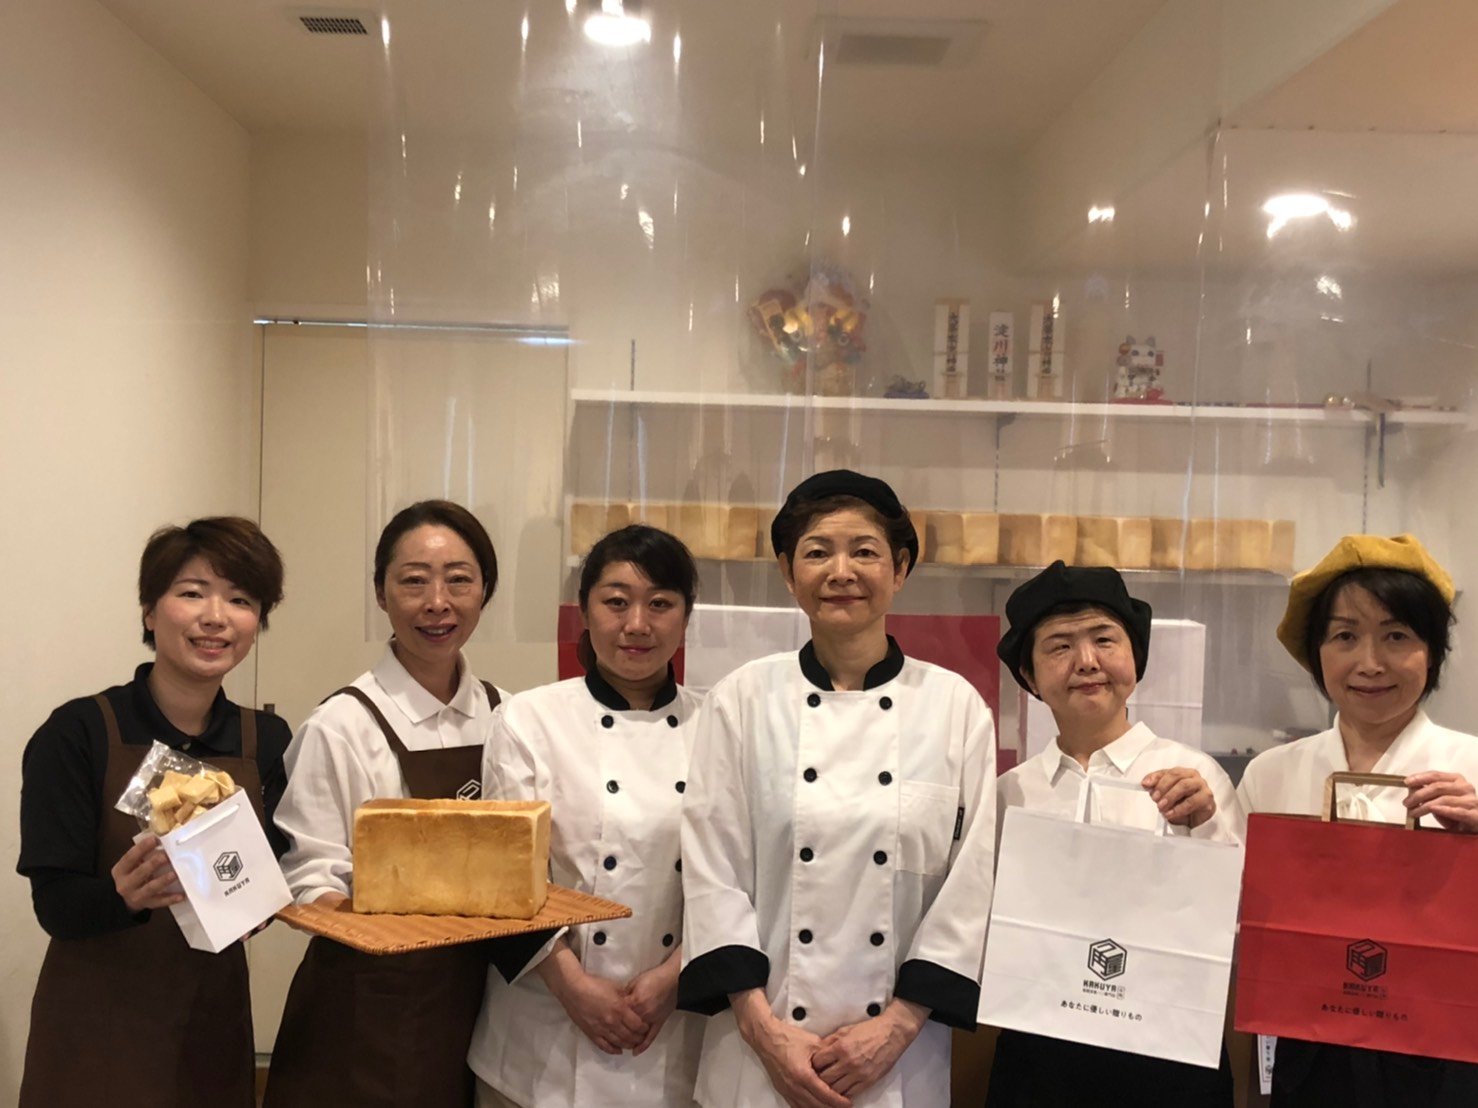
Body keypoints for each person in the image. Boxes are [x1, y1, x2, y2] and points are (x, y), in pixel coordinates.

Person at [678, 470, 997, 1108]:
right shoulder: (741, 699)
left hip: (898, 1064)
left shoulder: (955, 707)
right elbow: (713, 871)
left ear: (900, 569)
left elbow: (971, 883)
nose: (841, 571)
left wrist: (896, 1027)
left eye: (865, 551)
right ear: (787, 572)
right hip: (758, 1059)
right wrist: (766, 1034)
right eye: (818, 551)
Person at [18, 516, 289, 1107]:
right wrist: (123, 896)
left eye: (240, 600)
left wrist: (260, 901)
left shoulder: (266, 740)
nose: (215, 617)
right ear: (149, 610)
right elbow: (54, 905)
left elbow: (272, 871)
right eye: (191, 592)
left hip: (212, 1026)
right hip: (96, 1032)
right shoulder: (80, 732)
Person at [266, 499, 508, 1107]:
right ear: (380, 593)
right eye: (414, 581)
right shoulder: (340, 726)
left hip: (483, 1001)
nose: (437, 602)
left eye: (459, 580)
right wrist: (391, 931)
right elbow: (308, 874)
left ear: (484, 591)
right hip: (367, 1011)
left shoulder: (508, 716)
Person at [984, 559, 1242, 1107]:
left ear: (1135, 658)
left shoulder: (1195, 777)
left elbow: (1236, 917)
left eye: (1104, 639)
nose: (1086, 661)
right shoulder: (1011, 792)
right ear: (1028, 676)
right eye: (1059, 646)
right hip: (1040, 1050)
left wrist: (1202, 826)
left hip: (1169, 1053)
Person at [1237, 533, 1478, 1107]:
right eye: (1345, 636)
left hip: (1447, 1053)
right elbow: (1234, 921)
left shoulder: (1472, 767)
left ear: (1432, 651)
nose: (1370, 663)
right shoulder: (1271, 775)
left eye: (1396, 636)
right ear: (1316, 653)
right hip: (1308, 1048)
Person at [470, 524, 704, 1107]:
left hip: (670, 1033)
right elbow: (504, 877)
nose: (637, 625)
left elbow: (736, 877)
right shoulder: (528, 719)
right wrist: (573, 987)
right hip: (540, 1036)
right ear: (584, 609)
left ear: (686, 616)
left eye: (660, 604)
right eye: (616, 602)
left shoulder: (719, 723)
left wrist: (674, 977)